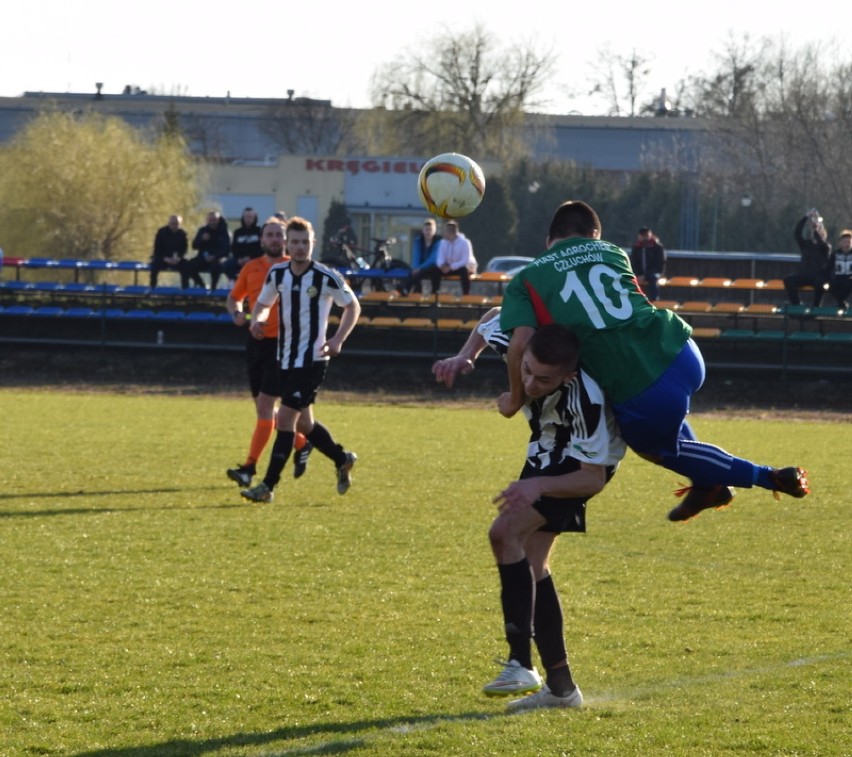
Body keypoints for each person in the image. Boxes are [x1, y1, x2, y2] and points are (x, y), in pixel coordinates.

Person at [499, 200, 810, 522]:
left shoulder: (528, 277)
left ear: (548, 242)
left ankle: (766, 476)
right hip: (680, 349)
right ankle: (707, 487)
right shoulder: (611, 251)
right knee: (666, 431)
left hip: (638, 381)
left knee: (657, 449)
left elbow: (520, 342)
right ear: (594, 234)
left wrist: (514, 399)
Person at [433, 316, 625, 713]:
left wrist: (536, 486)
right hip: (544, 451)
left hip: (577, 463)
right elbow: (491, 319)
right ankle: (561, 688)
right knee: (533, 564)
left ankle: (521, 663)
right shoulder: (519, 345)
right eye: (527, 373)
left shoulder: (584, 399)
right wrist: (465, 355)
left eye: (544, 381)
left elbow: (592, 478)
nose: (532, 385)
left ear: (569, 376)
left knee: (504, 534)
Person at [240, 216, 361, 504]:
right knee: (305, 424)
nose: (299, 247)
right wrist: (257, 320)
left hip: (313, 361)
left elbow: (353, 306)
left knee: (284, 419)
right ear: (286, 243)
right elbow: (262, 305)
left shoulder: (325, 276)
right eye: (294, 242)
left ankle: (267, 486)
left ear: (313, 243)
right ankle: (342, 458)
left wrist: (338, 339)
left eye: (305, 242)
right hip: (285, 360)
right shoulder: (278, 274)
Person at [225, 217, 313, 489]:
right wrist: (237, 314)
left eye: (279, 235)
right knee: (263, 409)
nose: (275, 239)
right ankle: (301, 442)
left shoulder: (294, 268)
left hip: (283, 345)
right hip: (257, 344)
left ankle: (249, 468)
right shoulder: (251, 268)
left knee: (265, 407)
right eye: (270, 235)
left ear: (285, 239)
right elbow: (233, 297)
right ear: (262, 240)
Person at [784, 209, 830, 307]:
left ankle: (816, 306)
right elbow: (797, 232)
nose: (816, 232)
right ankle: (797, 305)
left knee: (821, 283)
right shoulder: (806, 244)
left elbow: (821, 243)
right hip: (804, 276)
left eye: (820, 231)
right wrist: (806, 217)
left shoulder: (825, 247)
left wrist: (816, 229)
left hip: (817, 277)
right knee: (788, 280)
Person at [189, 211, 231, 289]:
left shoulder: (224, 232)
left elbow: (226, 249)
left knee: (216, 266)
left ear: (218, 220)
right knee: (189, 266)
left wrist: (215, 256)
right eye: (210, 220)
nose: (212, 222)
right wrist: (202, 240)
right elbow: (194, 246)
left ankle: (213, 288)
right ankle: (202, 286)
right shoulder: (202, 231)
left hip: (217, 259)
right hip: (203, 258)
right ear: (207, 221)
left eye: (214, 220)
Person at [401, 218, 442, 295]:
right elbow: (416, 256)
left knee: (433, 270)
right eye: (426, 229)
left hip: (432, 268)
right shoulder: (418, 241)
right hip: (421, 268)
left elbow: (433, 259)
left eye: (430, 230)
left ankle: (434, 294)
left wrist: (420, 268)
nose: (428, 232)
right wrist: (415, 268)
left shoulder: (439, 241)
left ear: (434, 231)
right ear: (423, 230)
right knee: (412, 273)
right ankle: (409, 292)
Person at [436, 220, 477, 295]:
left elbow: (465, 260)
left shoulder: (465, 243)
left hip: (460, 267)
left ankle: (466, 295)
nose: (444, 233)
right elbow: (439, 258)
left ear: (451, 232)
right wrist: (442, 265)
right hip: (446, 268)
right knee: (434, 271)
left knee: (464, 272)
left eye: (445, 231)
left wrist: (451, 267)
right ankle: (435, 295)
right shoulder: (443, 243)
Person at [223, 207, 263, 284]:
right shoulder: (238, 232)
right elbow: (234, 248)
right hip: (239, 259)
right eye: (246, 217)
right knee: (226, 264)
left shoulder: (259, 231)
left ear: (254, 218)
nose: (248, 219)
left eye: (250, 217)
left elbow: (261, 248)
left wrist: (250, 258)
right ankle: (236, 281)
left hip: (255, 259)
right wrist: (239, 259)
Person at [149, 215, 190, 288]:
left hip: (176, 259)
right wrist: (165, 258)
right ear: (169, 223)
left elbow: (184, 249)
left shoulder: (183, 234)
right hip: (162, 258)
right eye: (172, 223)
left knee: (186, 266)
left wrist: (179, 258)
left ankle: (185, 291)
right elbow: (157, 249)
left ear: (180, 224)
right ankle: (152, 288)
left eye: (176, 223)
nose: (174, 225)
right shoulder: (161, 232)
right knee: (155, 265)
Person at [628, 227, 666, 302]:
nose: (644, 238)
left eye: (646, 235)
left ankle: (654, 300)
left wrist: (645, 275)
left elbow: (660, 265)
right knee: (630, 279)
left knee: (653, 278)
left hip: (654, 273)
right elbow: (633, 263)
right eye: (642, 236)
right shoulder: (636, 248)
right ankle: (633, 300)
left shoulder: (657, 247)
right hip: (640, 274)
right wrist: (638, 274)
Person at [826, 229, 852, 310]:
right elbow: (828, 267)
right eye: (845, 242)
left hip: (850, 277)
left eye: (849, 242)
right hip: (839, 277)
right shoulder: (835, 254)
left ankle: (841, 303)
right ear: (840, 243)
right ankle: (842, 303)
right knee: (829, 285)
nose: (847, 244)